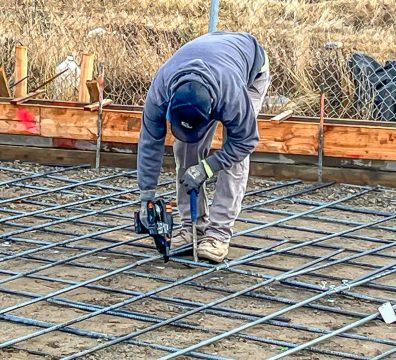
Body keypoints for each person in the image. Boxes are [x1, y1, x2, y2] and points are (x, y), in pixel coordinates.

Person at [137, 31, 270, 263]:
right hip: (212, 60)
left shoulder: (232, 96)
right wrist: (146, 195)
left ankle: (218, 234)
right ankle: (192, 228)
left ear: (211, 108)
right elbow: (149, 141)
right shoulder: (161, 91)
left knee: (234, 156)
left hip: (248, 72)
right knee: (185, 148)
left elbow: (245, 141)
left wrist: (206, 168)